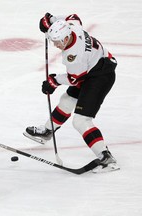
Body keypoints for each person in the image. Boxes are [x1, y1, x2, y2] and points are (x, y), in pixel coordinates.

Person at [24, 13, 120, 173]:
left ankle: (107, 158)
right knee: (67, 100)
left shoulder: (73, 56)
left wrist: (53, 81)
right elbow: (73, 16)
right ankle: (48, 132)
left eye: (56, 42)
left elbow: (74, 79)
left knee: (81, 121)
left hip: (100, 76)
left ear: (65, 39)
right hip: (94, 67)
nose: (55, 45)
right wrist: (51, 20)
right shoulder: (72, 27)